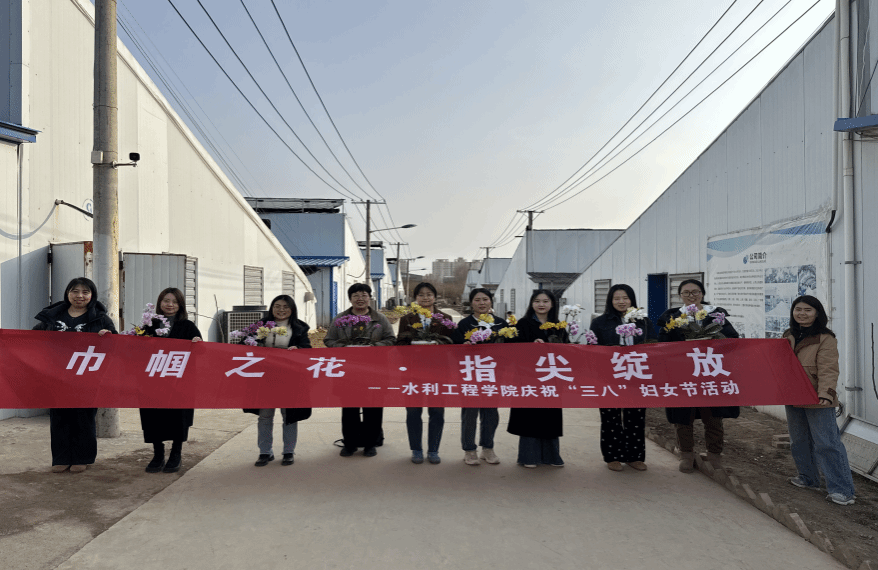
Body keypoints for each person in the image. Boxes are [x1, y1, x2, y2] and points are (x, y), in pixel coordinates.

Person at [33, 277, 116, 473]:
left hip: (86, 378)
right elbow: (33, 338)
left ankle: (82, 458)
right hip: (56, 377)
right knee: (59, 418)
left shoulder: (100, 318)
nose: (80, 296)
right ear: (68, 293)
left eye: (85, 292)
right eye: (75, 291)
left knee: (83, 418)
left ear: (92, 295)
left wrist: (108, 336)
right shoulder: (52, 316)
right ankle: (61, 458)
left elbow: (115, 344)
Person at [657, 278, 739, 473]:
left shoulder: (715, 315)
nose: (691, 296)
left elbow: (732, 339)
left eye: (695, 292)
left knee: (713, 416)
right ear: (680, 296)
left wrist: (712, 342)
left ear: (702, 294)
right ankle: (686, 454)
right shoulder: (673, 317)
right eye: (686, 293)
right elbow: (662, 343)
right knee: (683, 416)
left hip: (710, 373)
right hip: (682, 374)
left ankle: (714, 454)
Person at [783, 296, 856, 505]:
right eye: (798, 309)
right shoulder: (788, 335)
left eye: (808, 310)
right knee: (799, 441)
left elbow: (829, 368)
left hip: (818, 397)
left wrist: (826, 393)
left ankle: (842, 490)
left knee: (827, 443)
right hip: (793, 395)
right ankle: (808, 478)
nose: (802, 314)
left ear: (817, 313)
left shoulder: (825, 338)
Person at [589, 284, 656, 472]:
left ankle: (635, 457)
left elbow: (653, 345)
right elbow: (592, 349)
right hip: (609, 376)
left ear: (632, 300)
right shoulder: (600, 322)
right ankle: (612, 456)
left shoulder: (643, 321)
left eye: (625, 298)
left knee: (636, 417)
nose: (621, 302)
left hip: (636, 375)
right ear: (610, 301)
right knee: (610, 418)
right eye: (617, 298)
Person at [324, 283, 396, 457]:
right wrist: (345, 348)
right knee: (350, 409)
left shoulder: (380, 319)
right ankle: (350, 443)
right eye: (355, 295)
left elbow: (391, 339)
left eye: (364, 295)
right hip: (348, 372)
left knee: (373, 409)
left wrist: (373, 347)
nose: (360, 299)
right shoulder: (340, 319)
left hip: (374, 372)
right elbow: (329, 340)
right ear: (350, 299)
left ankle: (371, 443)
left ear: (369, 298)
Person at [242, 294, 313, 467]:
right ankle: (265, 452)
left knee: (289, 416)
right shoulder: (260, 325)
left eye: (285, 307)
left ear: (292, 309)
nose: (281, 310)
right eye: (277, 306)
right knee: (265, 416)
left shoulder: (299, 328)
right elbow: (243, 344)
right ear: (271, 308)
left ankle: (288, 452)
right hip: (264, 378)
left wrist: (298, 349)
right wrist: (253, 345)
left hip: (289, 378)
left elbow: (307, 349)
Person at [140, 288, 203, 474]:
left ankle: (176, 453)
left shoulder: (188, 326)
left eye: (175, 302)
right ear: (160, 303)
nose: (170, 305)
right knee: (153, 417)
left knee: (178, 417)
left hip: (179, 381)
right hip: (153, 381)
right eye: (166, 301)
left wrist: (198, 342)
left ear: (180, 305)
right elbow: (136, 349)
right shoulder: (149, 325)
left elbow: (201, 351)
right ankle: (157, 454)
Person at [507, 289, 567, 468]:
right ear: (531, 303)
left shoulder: (559, 325)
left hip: (551, 377)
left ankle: (551, 456)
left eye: (546, 301)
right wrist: (530, 346)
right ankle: (529, 457)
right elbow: (511, 348)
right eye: (537, 301)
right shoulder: (522, 323)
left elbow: (566, 349)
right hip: (528, 377)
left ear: (552, 304)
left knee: (550, 416)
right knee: (530, 416)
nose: (541, 304)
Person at [396, 282, 455, 464]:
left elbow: (452, 344)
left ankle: (433, 450)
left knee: (437, 412)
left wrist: (438, 345)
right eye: (421, 295)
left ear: (435, 297)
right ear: (415, 298)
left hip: (438, 373)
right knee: (413, 412)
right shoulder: (407, 319)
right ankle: (416, 449)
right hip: (413, 373)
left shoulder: (445, 318)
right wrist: (414, 345)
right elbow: (400, 345)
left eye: (429, 294)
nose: (425, 298)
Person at [451, 288, 508, 466]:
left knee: (491, 413)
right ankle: (469, 449)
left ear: (491, 301)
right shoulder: (464, 324)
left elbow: (511, 348)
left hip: (493, 375)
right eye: (477, 300)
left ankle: (488, 448)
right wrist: (464, 346)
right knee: (470, 413)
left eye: (485, 299)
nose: (482, 303)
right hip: (470, 375)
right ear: (471, 303)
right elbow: (454, 350)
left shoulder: (501, 323)